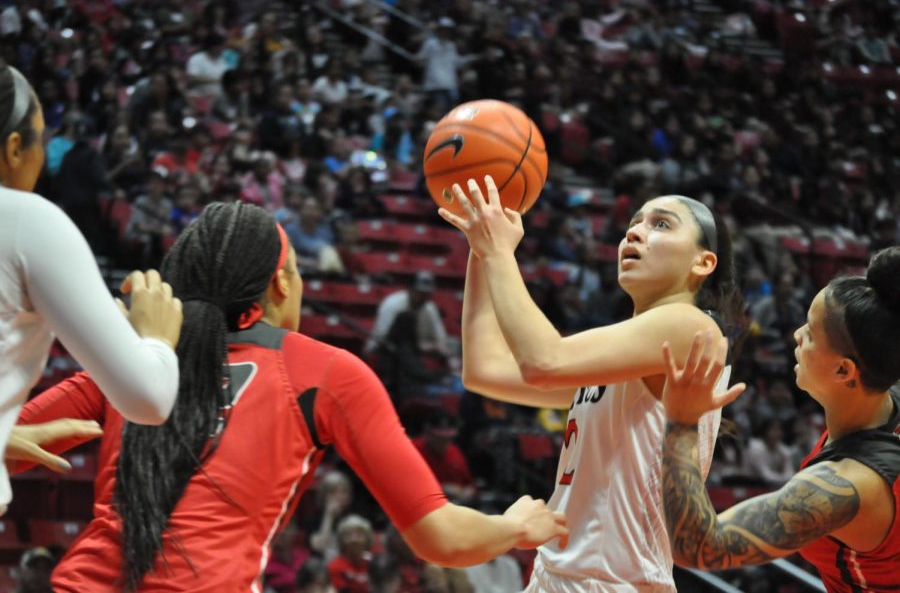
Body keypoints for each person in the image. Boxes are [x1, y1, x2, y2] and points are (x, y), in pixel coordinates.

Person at [13, 202, 567, 592]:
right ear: (282, 283)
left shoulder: (130, 362)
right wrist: (516, 526)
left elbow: (7, 441)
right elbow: (440, 537)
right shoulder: (324, 372)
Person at [439, 176, 741, 590]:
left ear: (703, 263)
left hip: (613, 581)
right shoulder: (628, 354)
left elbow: (543, 362)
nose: (634, 231)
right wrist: (480, 248)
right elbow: (484, 369)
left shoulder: (690, 326)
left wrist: (498, 253)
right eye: (634, 222)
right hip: (561, 574)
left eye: (662, 225)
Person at [660, 247, 900, 592]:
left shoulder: (847, 487)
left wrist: (681, 424)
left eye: (811, 333)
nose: (796, 335)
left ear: (843, 370)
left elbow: (698, 546)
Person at [0, 61, 182, 512]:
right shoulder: (25, 218)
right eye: (41, 139)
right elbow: (149, 398)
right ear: (15, 147)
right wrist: (157, 337)